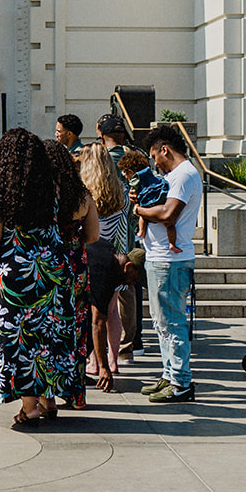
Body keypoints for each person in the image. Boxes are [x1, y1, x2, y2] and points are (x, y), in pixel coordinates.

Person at [0, 129, 81, 428]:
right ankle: (49, 400)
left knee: (19, 339)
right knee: (50, 337)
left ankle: (30, 408)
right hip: (54, 274)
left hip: (17, 277)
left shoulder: (1, 190)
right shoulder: (53, 187)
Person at [134, 122, 203, 403]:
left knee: (172, 323)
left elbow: (168, 214)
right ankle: (170, 374)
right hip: (161, 258)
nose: (154, 162)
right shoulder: (177, 175)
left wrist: (138, 208)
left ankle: (181, 382)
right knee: (162, 323)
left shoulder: (184, 175)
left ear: (165, 149)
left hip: (171, 261)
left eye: (154, 156)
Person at [43, 139, 97, 410]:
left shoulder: (43, 194)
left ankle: (47, 393)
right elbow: (93, 234)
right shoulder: (82, 194)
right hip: (76, 266)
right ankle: (75, 394)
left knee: (49, 331)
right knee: (76, 330)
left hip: (49, 266)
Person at [77, 144, 128, 391]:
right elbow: (123, 229)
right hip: (115, 255)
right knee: (112, 311)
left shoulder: (84, 191)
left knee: (89, 313)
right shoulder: (121, 191)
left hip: (90, 255)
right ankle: (112, 360)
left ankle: (93, 362)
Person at [115, 147, 152, 357]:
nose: (125, 177)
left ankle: (130, 344)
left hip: (134, 245)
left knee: (128, 294)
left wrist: (136, 207)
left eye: (126, 173)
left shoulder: (140, 184)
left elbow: (136, 216)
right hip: (134, 243)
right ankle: (132, 343)